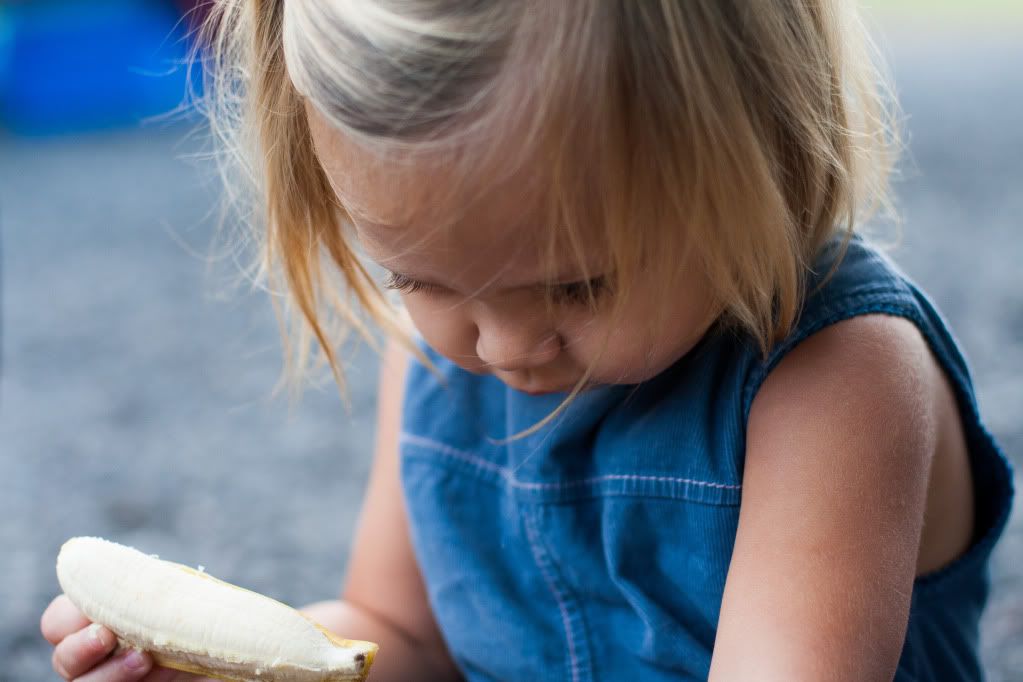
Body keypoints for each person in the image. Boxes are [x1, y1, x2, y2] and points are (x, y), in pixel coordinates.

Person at [41, 1, 1013, 680]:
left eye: (575, 284)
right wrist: (238, 667)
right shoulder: (435, 358)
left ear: (751, 149)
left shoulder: (838, 380)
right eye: (417, 278)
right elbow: (400, 638)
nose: (501, 343)